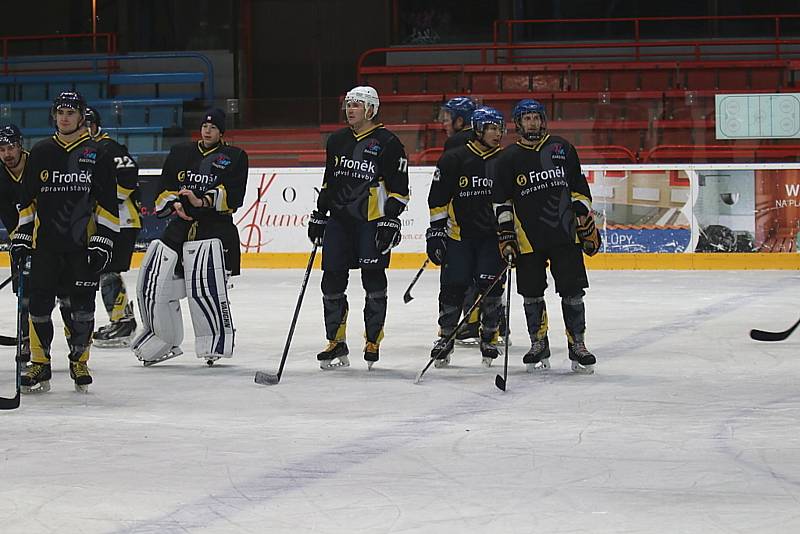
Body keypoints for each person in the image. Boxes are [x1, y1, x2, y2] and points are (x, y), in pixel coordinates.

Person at [11, 91, 118, 393]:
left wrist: (102, 242)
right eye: (60, 112)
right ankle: (39, 363)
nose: (65, 117)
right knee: (38, 307)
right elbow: (28, 201)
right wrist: (21, 238)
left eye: (71, 112)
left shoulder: (98, 153)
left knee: (81, 309)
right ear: (54, 116)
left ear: (82, 115)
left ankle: (79, 361)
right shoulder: (41, 152)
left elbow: (107, 204)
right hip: (45, 246)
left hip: (80, 247)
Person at [491, 99, 600, 375]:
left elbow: (579, 187)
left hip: (565, 234)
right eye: (526, 118)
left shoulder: (562, 148)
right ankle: (538, 342)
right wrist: (505, 233)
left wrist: (579, 210)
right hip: (528, 238)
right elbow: (501, 202)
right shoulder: (507, 158)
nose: (532, 123)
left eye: (536, 118)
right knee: (531, 293)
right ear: (518, 124)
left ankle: (578, 344)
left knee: (573, 292)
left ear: (543, 120)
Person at [131, 108, 248, 366]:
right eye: (205, 126)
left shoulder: (235, 157)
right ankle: (159, 337)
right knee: (153, 279)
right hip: (178, 228)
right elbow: (164, 188)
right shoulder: (181, 152)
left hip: (214, 229)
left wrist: (201, 200)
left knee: (205, 287)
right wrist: (176, 205)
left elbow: (233, 196)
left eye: (214, 127)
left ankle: (214, 339)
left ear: (221, 132)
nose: (208, 130)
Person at [308, 85, 409, 370]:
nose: (350, 109)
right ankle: (335, 340)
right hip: (340, 222)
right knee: (331, 280)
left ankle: (373, 339)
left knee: (373, 279)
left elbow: (400, 189)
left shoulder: (389, 143)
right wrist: (320, 212)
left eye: (356, 105)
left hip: (371, 223)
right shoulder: (337, 140)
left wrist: (391, 219)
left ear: (371, 109)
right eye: (348, 105)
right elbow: (330, 180)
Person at [426, 106, 505, 368]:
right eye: (491, 128)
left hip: (492, 239)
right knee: (452, 287)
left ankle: (489, 337)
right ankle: (445, 338)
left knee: (491, 289)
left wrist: (511, 235)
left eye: (499, 128)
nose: (497, 133)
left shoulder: (505, 160)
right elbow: (438, 198)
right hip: (459, 237)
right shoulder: (454, 159)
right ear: (478, 130)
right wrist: (436, 233)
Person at [85, 106, 141, 347]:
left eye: (90, 123)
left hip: (122, 221)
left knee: (107, 271)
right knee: (104, 271)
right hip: (105, 221)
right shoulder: (85, 149)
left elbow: (129, 175)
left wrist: (103, 201)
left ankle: (123, 323)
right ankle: (121, 320)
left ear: (97, 125)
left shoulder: (108, 147)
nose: (86, 128)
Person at [0, 124, 30, 362]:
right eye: (1, 149)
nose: (7, 153)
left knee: (64, 298)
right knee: (25, 297)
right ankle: (26, 343)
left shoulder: (39, 164)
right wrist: (18, 240)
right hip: (21, 242)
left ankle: (77, 349)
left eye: (11, 147)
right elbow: (8, 215)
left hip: (51, 240)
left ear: (20, 146)